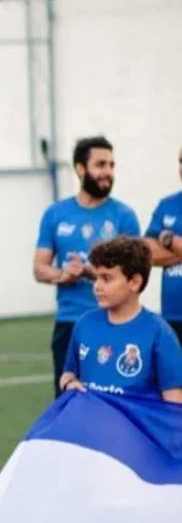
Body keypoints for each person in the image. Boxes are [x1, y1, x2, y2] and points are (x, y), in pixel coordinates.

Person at [33, 136, 141, 395]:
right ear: (80, 169)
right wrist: (62, 275)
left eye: (111, 165)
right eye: (100, 164)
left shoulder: (123, 216)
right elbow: (39, 268)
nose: (107, 172)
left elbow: (134, 276)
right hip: (69, 324)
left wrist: (90, 272)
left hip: (113, 321)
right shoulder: (55, 214)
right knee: (68, 398)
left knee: (112, 397)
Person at [59, 237, 182, 401]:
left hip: (135, 427)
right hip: (92, 425)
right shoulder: (85, 324)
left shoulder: (159, 333)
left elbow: (174, 404)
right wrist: (68, 384)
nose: (97, 286)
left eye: (107, 278)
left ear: (134, 282)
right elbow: (68, 373)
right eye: (96, 278)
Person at [143, 147, 182, 341]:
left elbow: (158, 246)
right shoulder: (167, 205)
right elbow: (146, 252)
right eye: (181, 161)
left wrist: (169, 239)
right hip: (172, 316)